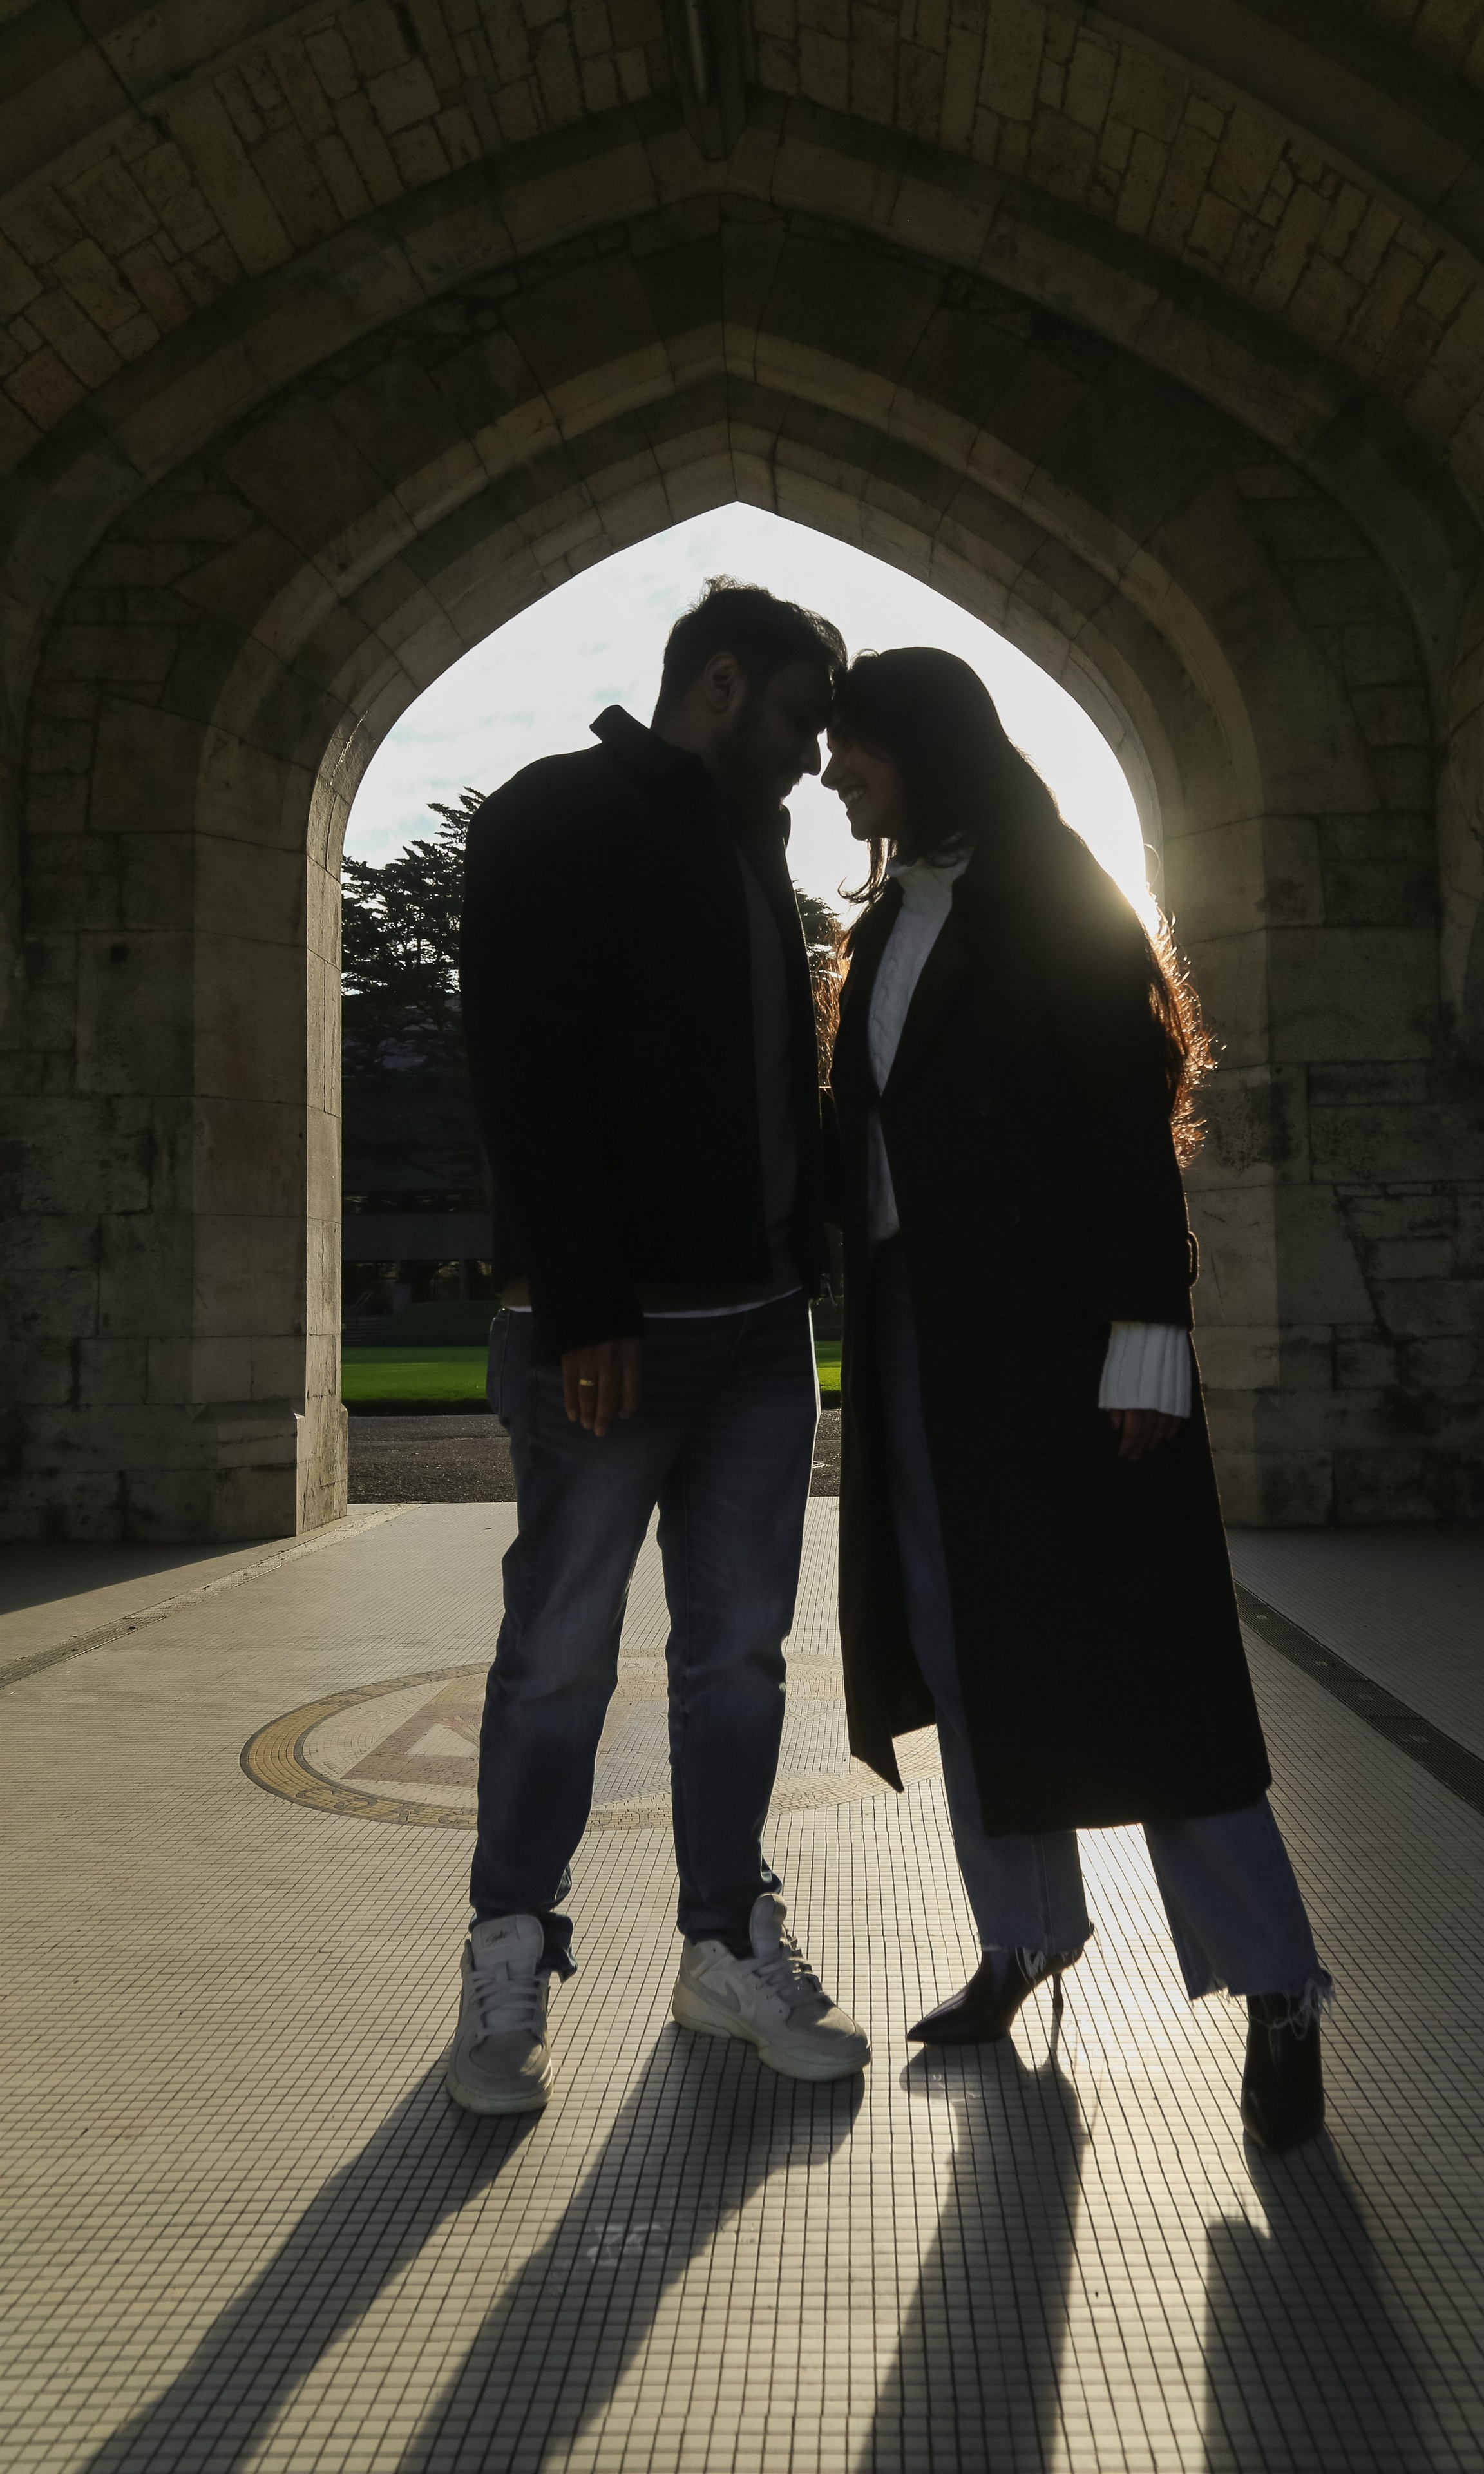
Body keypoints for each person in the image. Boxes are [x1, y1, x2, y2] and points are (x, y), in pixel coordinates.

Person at [823, 647, 1331, 2153]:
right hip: (927, 1340)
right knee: (962, 1638)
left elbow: (1125, 1123)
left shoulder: (1054, 894)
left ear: (926, 746)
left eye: (856, 748)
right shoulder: (889, 914)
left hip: (1061, 1337)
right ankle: (1024, 1939)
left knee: (1147, 1669)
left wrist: (1144, 1330)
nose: (834, 774)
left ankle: (1277, 1989)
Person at [449, 580, 873, 2115]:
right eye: (797, 719)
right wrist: (583, 1302)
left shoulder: (753, 848)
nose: (814, 758)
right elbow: (523, 1063)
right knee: (559, 1656)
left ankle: (720, 1948)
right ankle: (506, 1959)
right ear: (716, 688)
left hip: (758, 1327)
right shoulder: (554, 816)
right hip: (607, 1337)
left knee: (738, 1660)